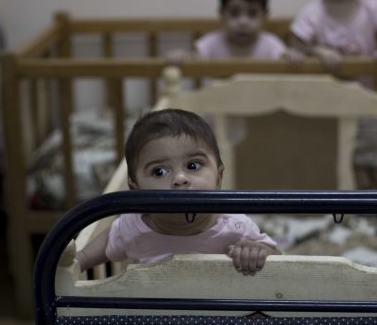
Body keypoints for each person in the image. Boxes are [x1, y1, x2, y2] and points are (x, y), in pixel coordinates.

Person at [75, 109, 280, 276]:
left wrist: (258, 251)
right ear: (136, 190)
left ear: (218, 177)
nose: (180, 178)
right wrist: (78, 262)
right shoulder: (134, 225)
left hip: (219, 313)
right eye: (159, 171)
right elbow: (107, 240)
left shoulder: (234, 226)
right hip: (157, 313)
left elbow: (280, 261)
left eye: (193, 165)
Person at [166, 0, 298, 62]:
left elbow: (284, 58)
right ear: (221, 14)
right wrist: (181, 57)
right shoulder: (211, 43)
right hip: (217, 97)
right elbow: (192, 59)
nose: (243, 22)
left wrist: (291, 56)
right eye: (234, 14)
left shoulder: (271, 45)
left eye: (252, 14)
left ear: (265, 15)